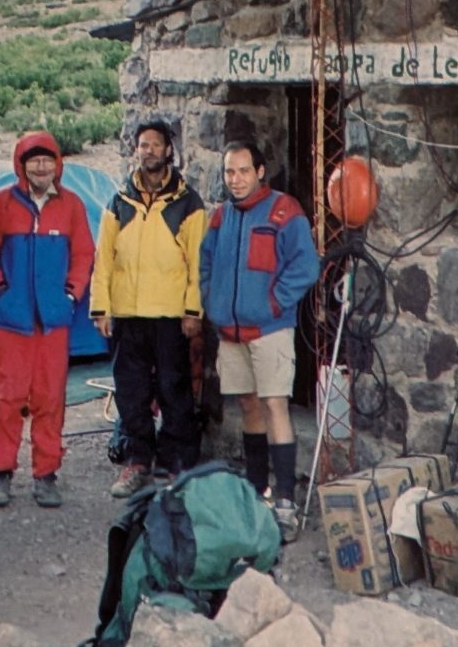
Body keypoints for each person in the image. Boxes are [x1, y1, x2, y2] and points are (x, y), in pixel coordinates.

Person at [199, 140, 319, 543]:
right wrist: (211, 299)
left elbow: (306, 266)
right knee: (248, 405)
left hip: (270, 330)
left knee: (274, 405)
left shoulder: (285, 212)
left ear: (260, 171)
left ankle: (285, 502)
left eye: (243, 171)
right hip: (231, 332)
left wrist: (273, 303)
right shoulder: (220, 216)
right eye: (229, 172)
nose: (235, 180)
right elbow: (206, 261)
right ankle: (256, 492)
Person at [0, 132, 94, 508]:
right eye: (33, 160)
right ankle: (1, 471)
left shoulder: (72, 205)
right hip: (10, 321)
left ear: (58, 164)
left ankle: (46, 474)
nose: (41, 167)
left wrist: (70, 295)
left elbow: (84, 254)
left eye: (47, 160)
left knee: (50, 398)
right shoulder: (0, 202)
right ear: (21, 165)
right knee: (6, 398)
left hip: (53, 322)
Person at [89, 120, 206, 497]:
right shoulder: (119, 201)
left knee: (174, 389)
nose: (149, 150)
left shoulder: (188, 203)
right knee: (131, 391)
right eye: (143, 145)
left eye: (156, 144)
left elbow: (198, 262)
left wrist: (193, 311)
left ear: (169, 150)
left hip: (171, 314)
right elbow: (103, 258)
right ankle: (137, 461)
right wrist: (100, 308)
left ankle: (174, 464)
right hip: (127, 313)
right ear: (135, 150)